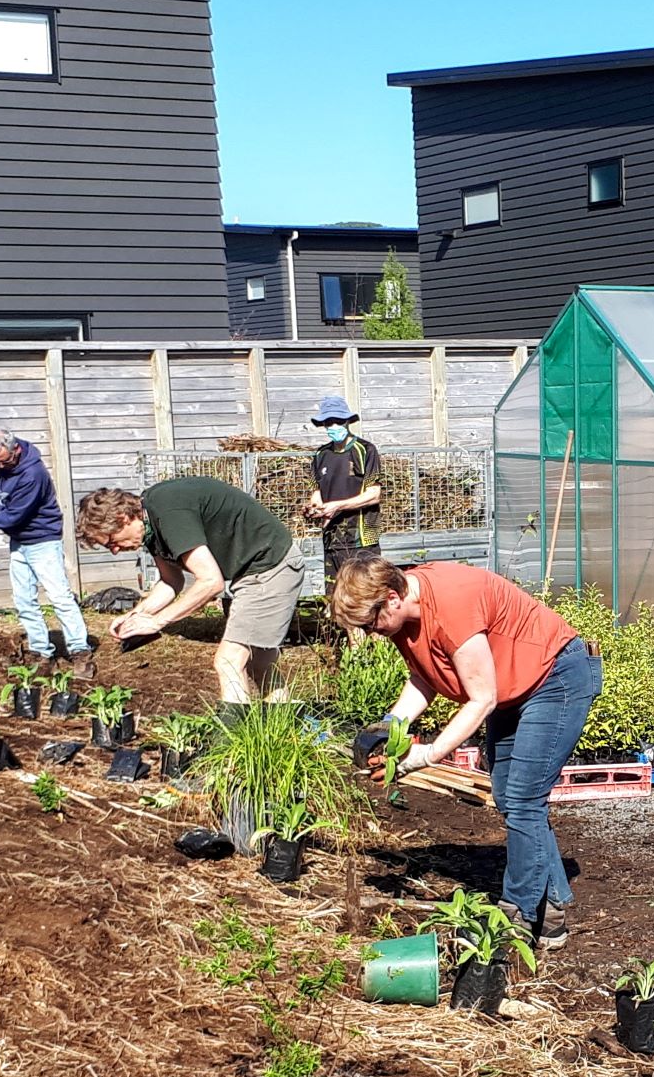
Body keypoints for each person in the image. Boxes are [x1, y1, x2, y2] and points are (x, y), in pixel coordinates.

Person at [330, 557, 597, 943]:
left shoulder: (451, 604)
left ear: (391, 598)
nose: (371, 633)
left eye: (370, 623)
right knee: (511, 797)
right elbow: (425, 676)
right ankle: (551, 914)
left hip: (555, 677)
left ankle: (517, 916)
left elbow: (481, 698)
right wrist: (392, 725)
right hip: (513, 690)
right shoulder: (406, 618)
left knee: (523, 799)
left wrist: (426, 755)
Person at [73, 478, 306, 704]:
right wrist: (137, 615)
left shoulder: (168, 513)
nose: (114, 551)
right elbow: (171, 581)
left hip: (271, 566)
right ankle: (284, 730)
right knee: (259, 662)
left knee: (228, 661)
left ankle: (237, 741)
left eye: (112, 542)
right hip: (251, 572)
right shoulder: (150, 523)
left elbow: (210, 582)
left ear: (123, 518)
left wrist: (157, 622)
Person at [0, 429, 91, 672]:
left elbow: (12, 517)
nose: (2, 466)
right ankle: (41, 654)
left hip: (42, 540)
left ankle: (80, 652)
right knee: (24, 600)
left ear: (17, 450)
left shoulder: (33, 474)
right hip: (19, 542)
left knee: (59, 597)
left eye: (6, 461)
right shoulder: (0, 457)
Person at [304, 394, 383, 591]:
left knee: (365, 595)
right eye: (328, 422)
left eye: (337, 421)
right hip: (332, 539)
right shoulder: (320, 455)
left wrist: (338, 505)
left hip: (361, 539)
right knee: (335, 597)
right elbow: (316, 495)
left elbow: (375, 494)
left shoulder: (365, 450)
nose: (333, 426)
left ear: (347, 421)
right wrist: (313, 510)